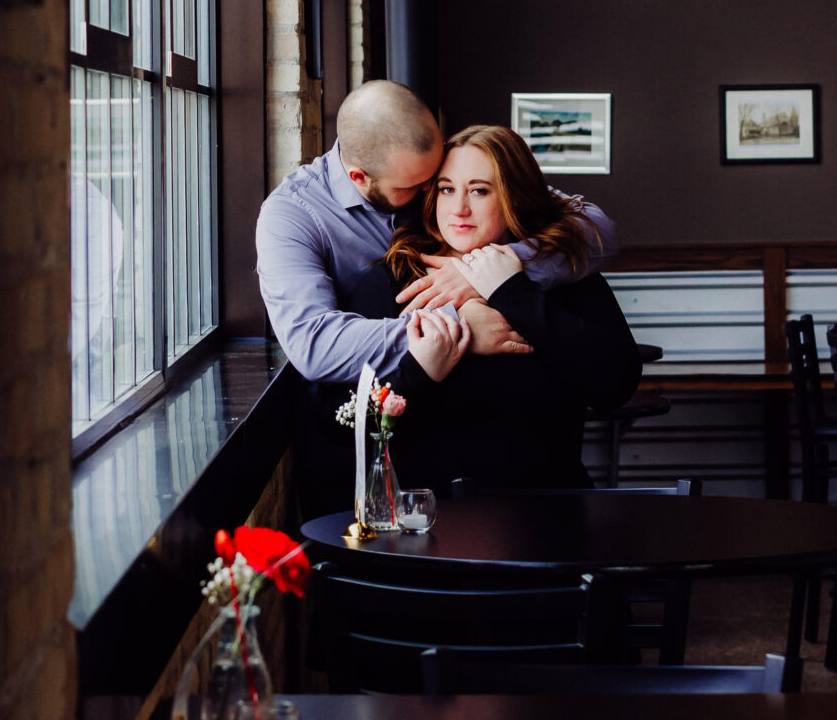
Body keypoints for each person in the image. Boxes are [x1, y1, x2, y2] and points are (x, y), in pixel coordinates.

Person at [256, 81, 619, 514]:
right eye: (435, 187)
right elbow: (316, 350)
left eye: (473, 189)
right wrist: (457, 327)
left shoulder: (436, 165)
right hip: (414, 500)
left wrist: (495, 276)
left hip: (545, 506)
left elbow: (597, 227)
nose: (446, 201)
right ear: (359, 177)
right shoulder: (301, 220)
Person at [321, 123, 642, 495]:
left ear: (514, 198)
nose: (459, 208)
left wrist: (511, 292)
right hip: (429, 523)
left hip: (549, 520)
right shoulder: (397, 281)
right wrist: (423, 369)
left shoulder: (563, 278)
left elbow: (615, 387)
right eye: (447, 189)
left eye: (479, 190)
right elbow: (338, 424)